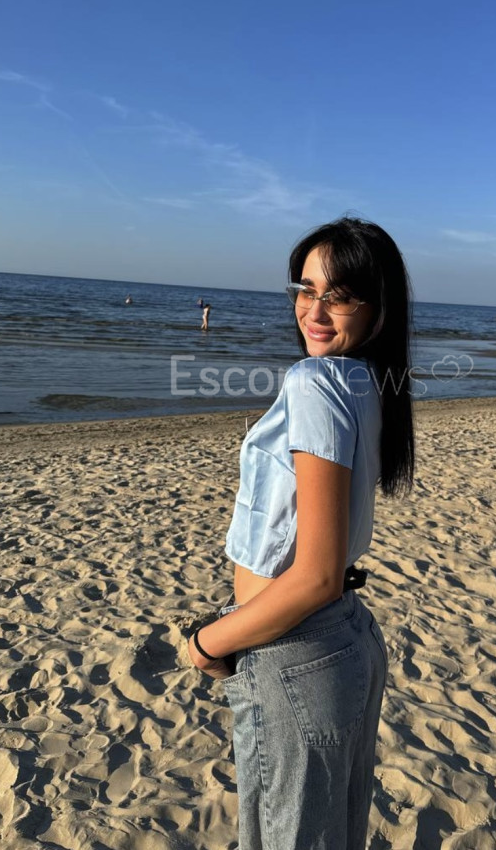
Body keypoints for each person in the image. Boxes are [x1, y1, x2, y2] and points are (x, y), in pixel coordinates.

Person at [186, 216, 415, 849]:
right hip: (344, 638)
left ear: (377, 308)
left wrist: (208, 641)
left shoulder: (315, 383)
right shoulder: (368, 380)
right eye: (306, 290)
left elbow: (315, 575)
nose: (314, 311)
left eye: (339, 296)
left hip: (294, 649)